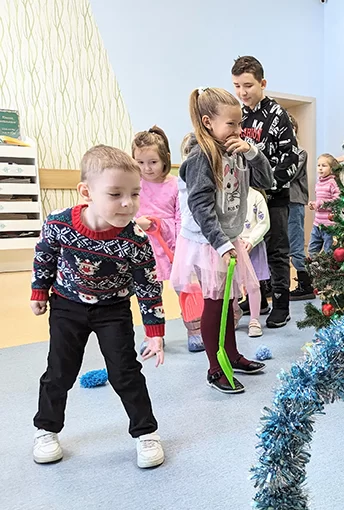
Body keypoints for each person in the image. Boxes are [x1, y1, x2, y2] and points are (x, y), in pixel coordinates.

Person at [30, 145, 166, 469]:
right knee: (59, 372)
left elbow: (148, 285)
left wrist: (155, 332)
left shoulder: (135, 239)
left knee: (125, 372)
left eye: (134, 194)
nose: (127, 203)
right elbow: (45, 256)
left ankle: (146, 432)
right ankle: (46, 429)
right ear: (86, 192)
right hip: (67, 306)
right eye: (116, 194)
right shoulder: (59, 224)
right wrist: (39, 291)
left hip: (113, 310)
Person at [172, 87, 273, 394]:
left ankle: (231, 355)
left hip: (230, 235)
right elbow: (200, 207)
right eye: (230, 124)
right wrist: (222, 244)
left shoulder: (237, 152)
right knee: (215, 304)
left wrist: (252, 153)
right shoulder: (201, 157)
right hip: (207, 241)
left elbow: (268, 182)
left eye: (239, 123)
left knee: (228, 301)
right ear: (207, 122)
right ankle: (215, 368)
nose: (237, 130)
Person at [233, 56, 300, 328]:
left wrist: (266, 184)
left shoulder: (277, 114)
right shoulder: (237, 116)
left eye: (248, 85)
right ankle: (256, 299)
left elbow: (292, 159)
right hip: (243, 201)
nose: (242, 92)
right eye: (237, 85)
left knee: (276, 251)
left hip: (273, 198)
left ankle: (281, 305)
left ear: (262, 83)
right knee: (248, 250)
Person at [132, 126, 203, 353]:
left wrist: (182, 246)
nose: (146, 168)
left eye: (152, 162)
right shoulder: (134, 185)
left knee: (186, 289)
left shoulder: (175, 184)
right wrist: (138, 222)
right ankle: (154, 336)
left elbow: (182, 216)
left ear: (165, 159)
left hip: (172, 245)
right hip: (143, 246)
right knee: (148, 292)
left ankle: (195, 330)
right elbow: (126, 211)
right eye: (140, 162)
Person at [287, 114, 315, 301]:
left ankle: (306, 284)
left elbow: (288, 174)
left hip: (294, 201)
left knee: (296, 244)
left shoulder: (300, 152)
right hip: (281, 202)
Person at [240, 187, 269, 338]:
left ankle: (254, 320)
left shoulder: (256, 196)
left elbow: (264, 222)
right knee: (230, 286)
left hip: (254, 246)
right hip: (231, 247)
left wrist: (251, 241)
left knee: (253, 285)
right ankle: (233, 315)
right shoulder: (224, 194)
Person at [308, 154, 341, 256]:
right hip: (317, 224)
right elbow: (319, 201)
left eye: (324, 165)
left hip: (329, 225)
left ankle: (328, 271)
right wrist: (313, 204)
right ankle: (313, 269)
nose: (320, 168)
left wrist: (320, 204)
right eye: (318, 165)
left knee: (329, 251)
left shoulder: (332, 183)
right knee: (312, 249)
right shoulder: (318, 183)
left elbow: (337, 200)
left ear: (331, 168)